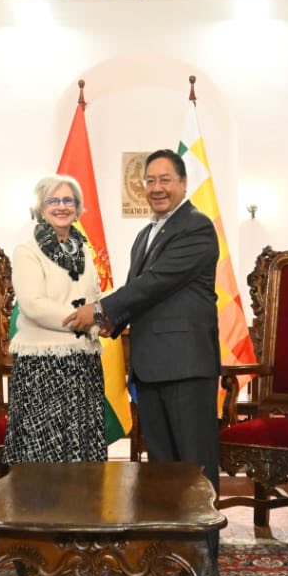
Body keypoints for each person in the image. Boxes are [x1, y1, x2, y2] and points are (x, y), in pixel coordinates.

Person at [65, 149, 221, 540]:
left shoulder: (196, 227)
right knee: (164, 470)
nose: (157, 188)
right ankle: (172, 551)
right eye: (150, 181)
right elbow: (142, 294)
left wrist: (100, 311)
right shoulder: (145, 234)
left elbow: (157, 282)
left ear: (184, 184)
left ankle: (204, 557)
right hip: (151, 365)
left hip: (186, 365)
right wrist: (110, 321)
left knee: (194, 467)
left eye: (165, 179)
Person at [4, 175, 107, 464]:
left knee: (82, 448)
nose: (61, 207)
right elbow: (34, 304)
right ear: (40, 207)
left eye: (68, 200)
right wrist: (86, 320)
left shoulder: (84, 250)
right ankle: (41, 509)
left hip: (83, 361)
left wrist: (99, 317)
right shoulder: (27, 251)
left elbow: (94, 296)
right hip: (44, 364)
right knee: (44, 452)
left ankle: (81, 507)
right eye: (53, 200)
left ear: (78, 207)